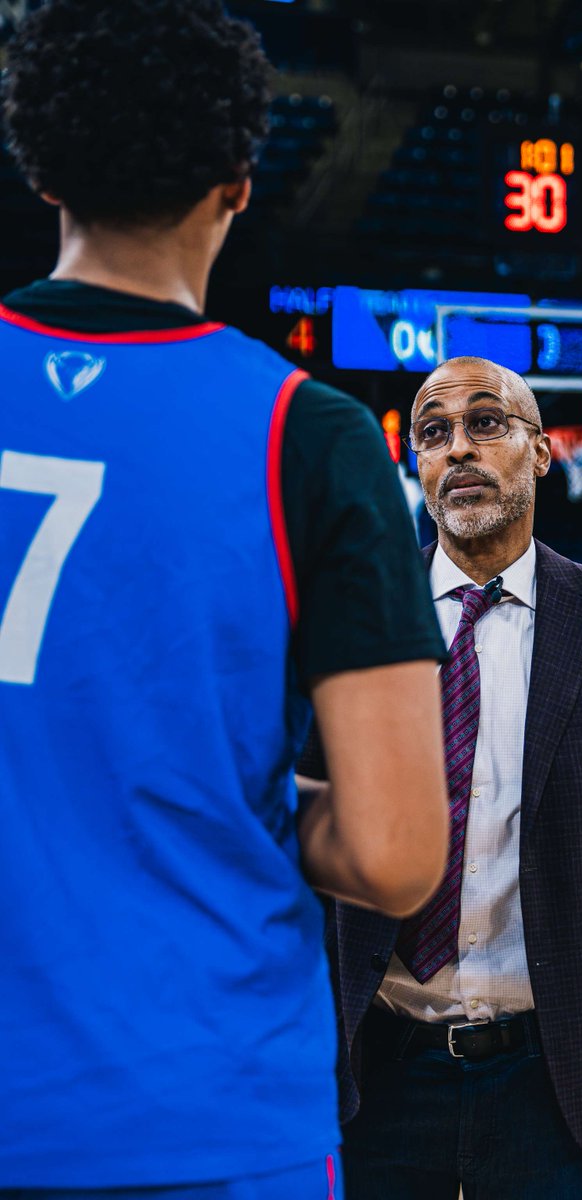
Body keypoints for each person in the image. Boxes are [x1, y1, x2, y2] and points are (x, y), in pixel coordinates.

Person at [0, 3, 449, 1197]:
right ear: (241, 182)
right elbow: (398, 853)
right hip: (204, 1113)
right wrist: (246, 799)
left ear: (36, 165)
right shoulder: (314, 440)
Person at [312, 356, 582, 1200]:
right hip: (371, 1070)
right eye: (434, 432)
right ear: (416, 463)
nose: (458, 449)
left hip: (552, 1078)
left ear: (543, 451)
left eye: (486, 423)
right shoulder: (348, 613)